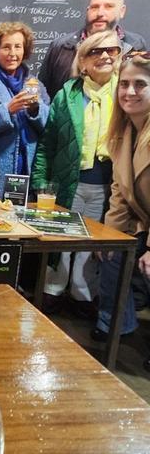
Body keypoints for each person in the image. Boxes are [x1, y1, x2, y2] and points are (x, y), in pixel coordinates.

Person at [31, 29, 122, 315]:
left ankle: (83, 297)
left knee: (89, 246)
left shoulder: (125, 92)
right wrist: (40, 182)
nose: (105, 55)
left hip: (107, 186)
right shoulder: (66, 95)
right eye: (96, 51)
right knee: (59, 240)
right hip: (67, 181)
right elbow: (48, 143)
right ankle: (53, 294)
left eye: (111, 50)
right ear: (82, 61)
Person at [92, 50, 150, 372]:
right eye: (124, 84)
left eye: (140, 84)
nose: (129, 92)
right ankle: (119, 325)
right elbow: (119, 193)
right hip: (143, 221)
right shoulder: (122, 132)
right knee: (112, 256)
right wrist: (110, 236)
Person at [0, 22, 50, 198]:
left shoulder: (36, 86)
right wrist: (7, 110)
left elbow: (48, 129)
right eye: (6, 47)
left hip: (25, 171)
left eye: (18, 47)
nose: (12, 53)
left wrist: (36, 109)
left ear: (25, 50)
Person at [39, 0, 147, 100]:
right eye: (95, 7)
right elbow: (43, 96)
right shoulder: (61, 47)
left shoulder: (135, 45)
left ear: (122, 11)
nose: (100, 13)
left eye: (109, 6)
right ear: (87, 10)